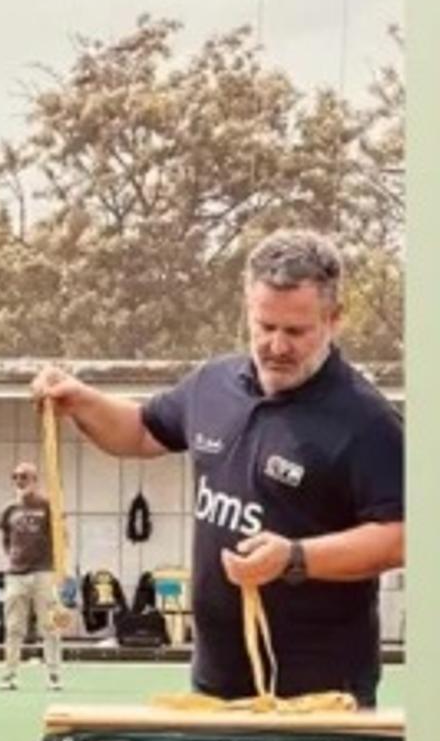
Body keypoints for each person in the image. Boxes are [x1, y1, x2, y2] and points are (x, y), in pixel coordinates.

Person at [32, 229, 404, 705]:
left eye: (295, 331)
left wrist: (294, 557)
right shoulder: (213, 383)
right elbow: (142, 430)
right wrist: (80, 399)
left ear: (334, 320)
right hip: (215, 683)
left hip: (319, 695)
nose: (276, 345)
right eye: (263, 325)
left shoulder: (366, 419)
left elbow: (403, 534)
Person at [0, 461, 62, 692]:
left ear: (35, 480)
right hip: (16, 575)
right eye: (15, 477)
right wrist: (13, 557)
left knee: (49, 625)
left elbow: (61, 537)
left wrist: (57, 570)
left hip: (43, 572)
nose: (19, 481)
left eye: (24, 477)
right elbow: (6, 537)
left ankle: (53, 674)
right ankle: (9, 674)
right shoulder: (9, 510)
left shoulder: (47, 506)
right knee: (14, 626)